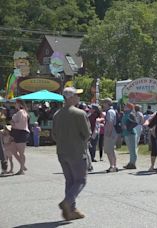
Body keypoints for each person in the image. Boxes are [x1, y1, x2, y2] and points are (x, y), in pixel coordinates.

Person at [52, 87, 91, 221]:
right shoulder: (79, 113)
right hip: (77, 152)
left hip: (62, 152)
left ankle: (71, 210)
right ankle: (68, 202)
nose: (78, 98)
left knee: (70, 181)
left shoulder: (57, 114)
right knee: (80, 180)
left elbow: (54, 135)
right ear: (71, 97)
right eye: (76, 95)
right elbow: (87, 134)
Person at [10, 99, 30, 175]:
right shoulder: (21, 112)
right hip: (17, 133)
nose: (14, 104)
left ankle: (21, 169)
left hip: (21, 133)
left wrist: (12, 124)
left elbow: (21, 125)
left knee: (21, 152)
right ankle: (22, 165)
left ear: (19, 104)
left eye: (15, 103)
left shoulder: (21, 112)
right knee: (13, 150)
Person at [101, 98, 119, 172]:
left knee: (109, 150)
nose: (103, 105)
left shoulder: (110, 112)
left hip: (110, 133)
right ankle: (114, 165)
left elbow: (110, 123)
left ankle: (112, 166)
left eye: (104, 103)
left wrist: (108, 133)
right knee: (111, 150)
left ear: (107, 103)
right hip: (112, 132)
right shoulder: (111, 111)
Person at [122, 103, 138, 169]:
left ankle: (133, 163)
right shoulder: (125, 114)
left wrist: (128, 127)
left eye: (126, 106)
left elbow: (135, 123)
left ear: (129, 107)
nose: (124, 107)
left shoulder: (131, 114)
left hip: (131, 133)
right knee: (130, 149)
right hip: (126, 133)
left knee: (133, 149)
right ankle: (130, 162)